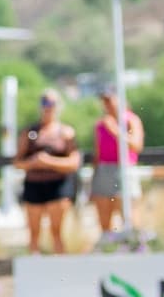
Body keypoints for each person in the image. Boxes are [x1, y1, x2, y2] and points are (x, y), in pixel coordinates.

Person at [14, 89, 81, 254]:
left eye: (52, 103)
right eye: (44, 103)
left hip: (58, 186)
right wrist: (33, 163)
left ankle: (62, 275)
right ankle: (34, 270)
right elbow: (17, 162)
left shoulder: (66, 133)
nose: (48, 107)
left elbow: (74, 162)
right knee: (33, 233)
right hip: (34, 185)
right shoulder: (30, 133)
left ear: (58, 106)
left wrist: (49, 162)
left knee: (56, 232)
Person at [91, 89, 142, 236]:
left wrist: (116, 131)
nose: (107, 104)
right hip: (104, 170)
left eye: (110, 100)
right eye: (104, 101)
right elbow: (98, 154)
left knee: (130, 216)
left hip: (125, 169)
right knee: (104, 219)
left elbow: (136, 146)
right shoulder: (100, 124)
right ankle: (109, 246)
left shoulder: (131, 120)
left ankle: (134, 245)